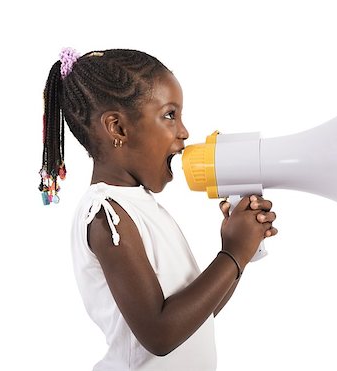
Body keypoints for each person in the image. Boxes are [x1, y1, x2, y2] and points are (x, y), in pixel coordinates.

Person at [39, 48, 278, 370]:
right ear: (118, 129)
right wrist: (232, 255)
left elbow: (198, 317)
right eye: (169, 115)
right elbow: (160, 334)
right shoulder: (108, 214)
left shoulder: (141, 206)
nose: (184, 132)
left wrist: (240, 253)